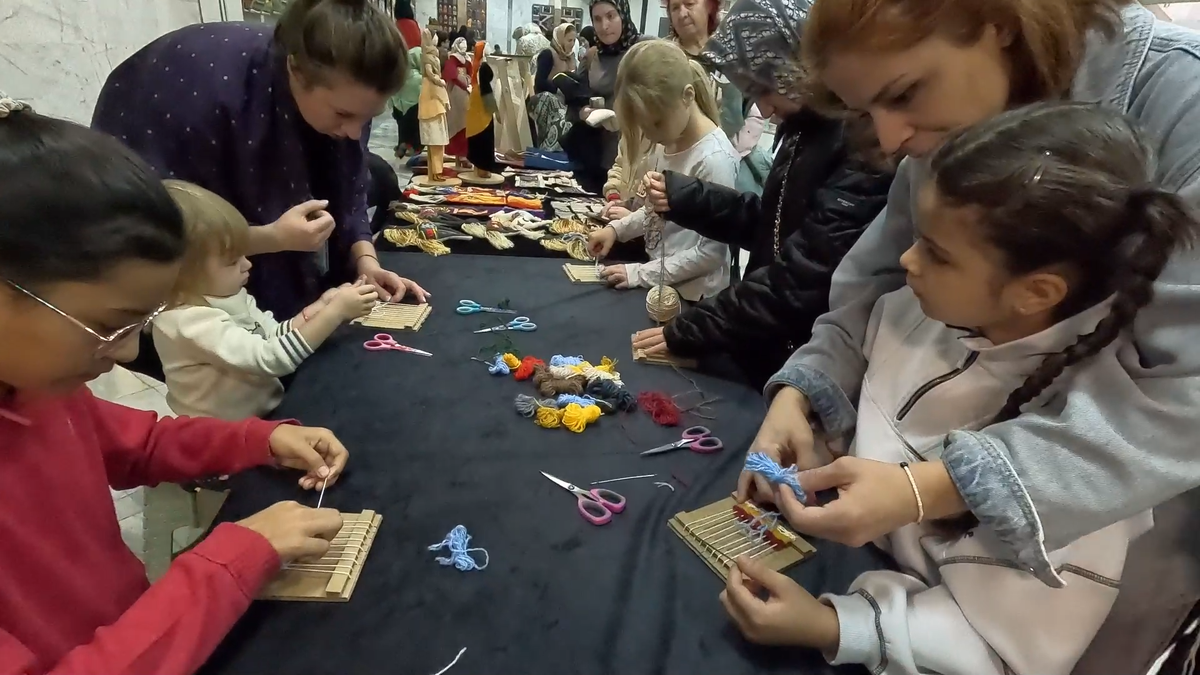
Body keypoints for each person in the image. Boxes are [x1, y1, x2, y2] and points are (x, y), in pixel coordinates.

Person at [738, 0, 1200, 590]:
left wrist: (932, 487)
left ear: (999, 23)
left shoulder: (1183, 106)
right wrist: (807, 388)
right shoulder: (955, 111)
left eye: (904, 93)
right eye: (867, 110)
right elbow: (877, 275)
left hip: (1077, 567)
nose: (890, 138)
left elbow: (1182, 401)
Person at [722, 101, 1191, 675]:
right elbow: (876, 420)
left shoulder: (1082, 458)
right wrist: (815, 434)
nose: (905, 260)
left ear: (1036, 292)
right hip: (837, 566)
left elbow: (999, 652)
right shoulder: (915, 314)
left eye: (937, 253)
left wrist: (832, 626)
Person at [0, 98, 348, 674]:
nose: (128, 354)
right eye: (107, 325)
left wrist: (260, 440)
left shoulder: (40, 389)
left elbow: (140, 444)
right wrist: (229, 562)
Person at [92, 0, 427, 324]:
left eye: (368, 117)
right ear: (295, 72)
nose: (354, 133)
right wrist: (271, 239)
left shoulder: (342, 91)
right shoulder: (199, 99)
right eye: (343, 114)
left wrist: (366, 261)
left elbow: (350, 189)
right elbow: (161, 236)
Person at [630, 0, 892, 388]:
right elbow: (771, 224)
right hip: (772, 346)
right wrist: (685, 197)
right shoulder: (805, 129)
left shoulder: (861, 147)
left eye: (766, 90)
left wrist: (692, 329)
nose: (765, 110)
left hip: (803, 362)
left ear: (795, 67)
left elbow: (800, 279)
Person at [152, 181, 379, 421]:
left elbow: (270, 335)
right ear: (183, 274)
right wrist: (335, 313)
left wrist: (321, 307)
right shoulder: (187, 322)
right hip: (221, 436)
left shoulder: (228, 295)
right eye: (232, 261)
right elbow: (269, 358)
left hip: (261, 417)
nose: (247, 264)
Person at [587, 40, 738, 300]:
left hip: (694, 299)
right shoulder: (667, 141)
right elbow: (653, 213)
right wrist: (616, 229)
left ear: (687, 96)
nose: (651, 136)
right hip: (662, 284)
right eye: (644, 127)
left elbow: (711, 253)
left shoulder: (714, 159)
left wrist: (640, 274)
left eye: (656, 124)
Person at [559, 0, 647, 194]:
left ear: (623, 14)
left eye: (610, 16)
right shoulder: (592, 56)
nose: (604, 26)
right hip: (598, 154)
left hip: (636, 156)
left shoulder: (645, 49)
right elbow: (575, 101)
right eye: (597, 19)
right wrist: (584, 112)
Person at [530, 23, 578, 151]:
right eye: (569, 40)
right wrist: (558, 87)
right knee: (562, 120)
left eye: (574, 40)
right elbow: (539, 82)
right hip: (546, 100)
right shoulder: (548, 54)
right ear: (560, 39)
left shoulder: (570, 58)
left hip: (564, 101)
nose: (572, 44)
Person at [443, 37, 473, 169]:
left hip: (467, 91)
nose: (464, 46)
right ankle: (460, 155)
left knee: (466, 124)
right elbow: (451, 76)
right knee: (457, 122)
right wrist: (464, 84)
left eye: (466, 44)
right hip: (457, 92)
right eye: (462, 44)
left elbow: (471, 72)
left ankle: (465, 154)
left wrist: (470, 83)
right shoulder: (453, 59)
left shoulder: (467, 59)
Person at [390, 43, 425, 159]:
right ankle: (415, 147)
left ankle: (402, 144)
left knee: (402, 127)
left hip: (398, 106)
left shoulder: (399, 73)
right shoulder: (419, 78)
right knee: (416, 127)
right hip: (414, 107)